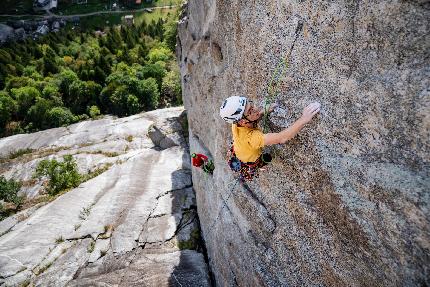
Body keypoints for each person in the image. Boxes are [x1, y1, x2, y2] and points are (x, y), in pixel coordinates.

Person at [219, 96, 320, 180]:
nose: (255, 109)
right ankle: (261, 166)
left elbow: (250, 119)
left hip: (240, 149)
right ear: (242, 122)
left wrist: (263, 112)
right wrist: (304, 119)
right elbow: (282, 137)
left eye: (251, 105)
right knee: (264, 159)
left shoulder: (236, 123)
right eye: (250, 110)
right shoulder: (253, 139)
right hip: (249, 159)